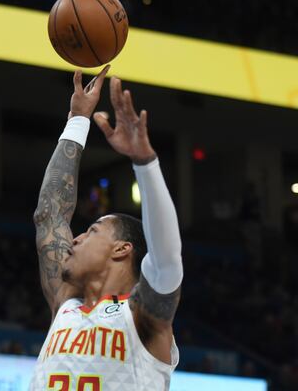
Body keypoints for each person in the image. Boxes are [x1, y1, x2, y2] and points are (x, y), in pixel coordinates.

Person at [31, 66, 183, 390]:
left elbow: (167, 259)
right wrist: (77, 119)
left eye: (93, 231)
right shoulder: (67, 303)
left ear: (122, 248)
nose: (76, 237)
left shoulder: (144, 317)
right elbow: (50, 215)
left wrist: (145, 163)